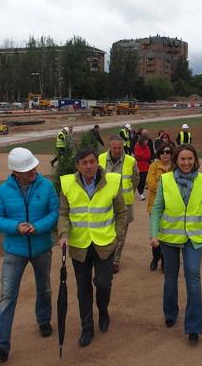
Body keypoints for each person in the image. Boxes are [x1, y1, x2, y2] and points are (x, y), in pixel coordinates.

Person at [0, 148, 59, 361]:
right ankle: (1, 345)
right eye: (27, 170)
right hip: (14, 251)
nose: (33, 172)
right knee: (8, 296)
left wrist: (37, 226)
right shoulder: (3, 191)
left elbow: (55, 213)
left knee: (44, 288)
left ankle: (44, 320)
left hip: (41, 247)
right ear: (15, 172)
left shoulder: (46, 186)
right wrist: (16, 226)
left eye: (33, 167)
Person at [58, 148, 128, 347]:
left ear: (97, 162)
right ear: (77, 166)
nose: (89, 166)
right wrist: (63, 234)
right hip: (79, 246)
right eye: (84, 163)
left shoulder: (112, 181)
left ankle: (103, 311)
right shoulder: (67, 184)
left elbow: (121, 212)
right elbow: (63, 213)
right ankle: (87, 327)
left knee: (103, 284)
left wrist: (118, 236)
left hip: (105, 244)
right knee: (83, 288)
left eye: (92, 162)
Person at [149, 144, 202, 343]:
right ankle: (170, 313)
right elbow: (157, 209)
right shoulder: (165, 180)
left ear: (195, 160)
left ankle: (193, 326)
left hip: (194, 237)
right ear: (176, 161)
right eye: (182, 159)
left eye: (190, 158)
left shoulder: (201, 179)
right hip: (169, 238)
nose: (186, 162)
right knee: (171, 277)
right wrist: (153, 234)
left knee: (193, 277)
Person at [98, 135, 139, 273]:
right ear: (110, 147)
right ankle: (105, 257)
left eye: (120, 148)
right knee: (105, 231)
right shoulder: (101, 159)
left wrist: (127, 194)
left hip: (124, 204)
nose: (117, 151)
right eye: (114, 148)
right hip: (105, 203)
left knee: (120, 234)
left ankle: (115, 261)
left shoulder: (131, 161)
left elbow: (135, 180)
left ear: (123, 147)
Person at [146, 142, 174, 271]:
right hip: (155, 206)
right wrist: (168, 189)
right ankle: (155, 257)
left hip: (170, 207)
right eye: (163, 152)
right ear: (159, 153)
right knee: (155, 233)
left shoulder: (175, 167)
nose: (165, 154)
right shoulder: (153, 166)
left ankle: (164, 259)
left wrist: (162, 186)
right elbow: (151, 184)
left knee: (167, 234)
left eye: (168, 152)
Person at [134, 134, 152, 200]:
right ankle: (140, 192)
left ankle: (140, 192)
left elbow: (149, 156)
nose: (147, 142)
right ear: (142, 141)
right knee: (139, 180)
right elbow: (137, 155)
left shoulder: (147, 147)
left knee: (143, 180)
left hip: (146, 166)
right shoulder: (137, 146)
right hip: (139, 166)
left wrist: (142, 156)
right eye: (146, 140)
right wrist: (143, 156)